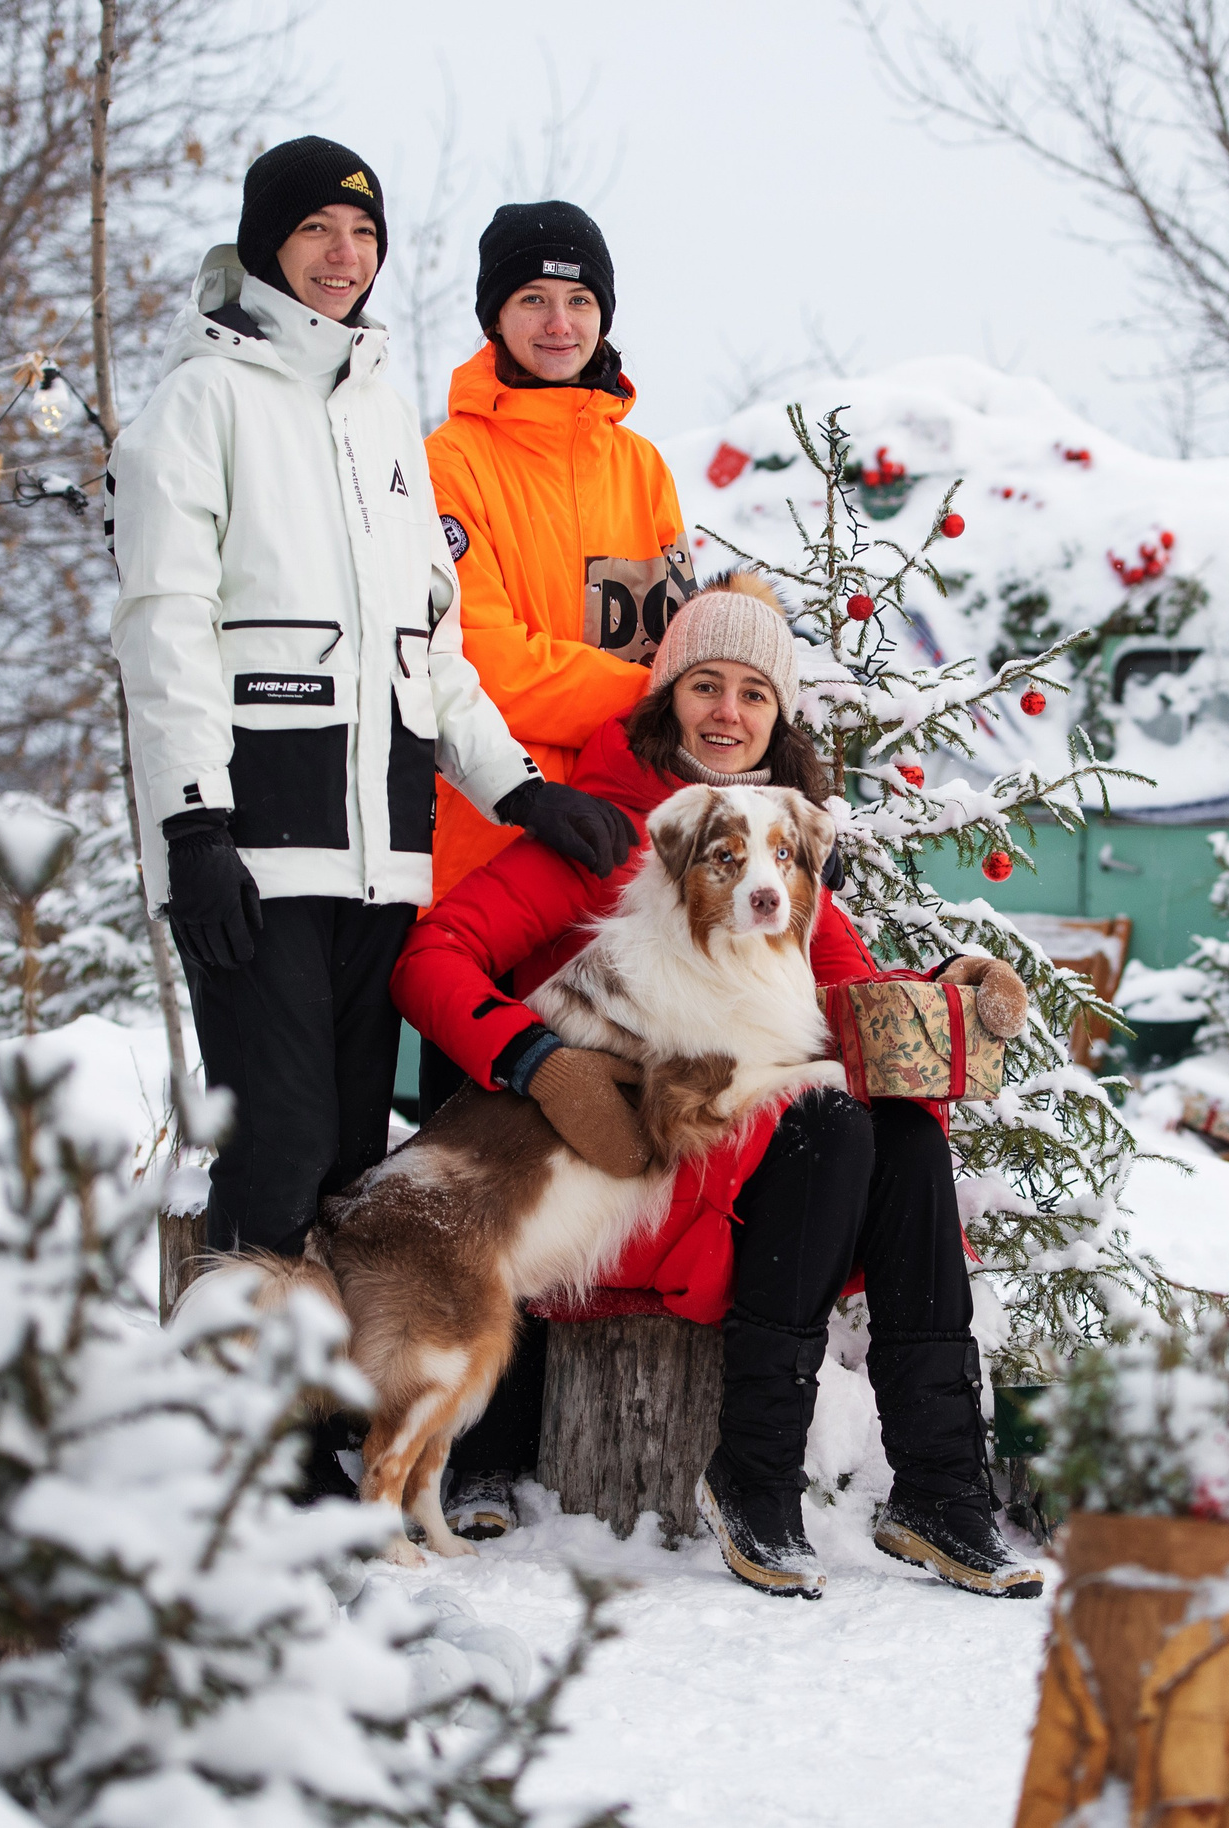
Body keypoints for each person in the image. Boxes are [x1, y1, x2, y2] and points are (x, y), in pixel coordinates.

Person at [391, 575, 1042, 1602]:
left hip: (740, 1176)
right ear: (666, 697)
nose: (727, 713)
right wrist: (535, 1061)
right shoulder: (598, 834)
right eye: (705, 685)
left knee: (907, 1134)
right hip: (626, 1158)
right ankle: (756, 1474)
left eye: (753, 692)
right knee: (831, 1123)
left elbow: (855, 1000)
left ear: (779, 717)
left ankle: (939, 1487)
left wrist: (946, 1000)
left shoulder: (776, 849)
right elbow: (433, 956)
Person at [109, 137, 636, 1267]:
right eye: (314, 231)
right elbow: (164, 629)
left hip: (383, 850)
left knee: (353, 1149)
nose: (343, 256)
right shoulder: (197, 405)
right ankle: (257, 1426)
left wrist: (521, 791)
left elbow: (430, 646)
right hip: (251, 846)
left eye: (362, 235)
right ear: (263, 245)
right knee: (281, 1138)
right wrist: (192, 823)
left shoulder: (379, 417)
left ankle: (341, 1421)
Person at [414, 201, 696, 1535]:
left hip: (622, 862)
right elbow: (480, 654)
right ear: (494, 315)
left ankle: (553, 1451)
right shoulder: (445, 463)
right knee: (474, 1156)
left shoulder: (641, 470)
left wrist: (663, 698)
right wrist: (643, 688)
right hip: (492, 846)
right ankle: (468, 1450)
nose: (558, 322)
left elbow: (678, 659)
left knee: (579, 1145)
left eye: (579, 302)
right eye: (533, 300)